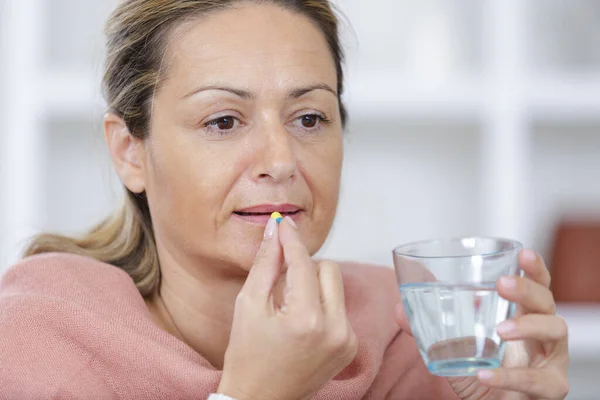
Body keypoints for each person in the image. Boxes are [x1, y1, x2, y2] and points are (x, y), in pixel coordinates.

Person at [0, 1, 569, 399]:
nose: (282, 160)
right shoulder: (44, 331)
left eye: (309, 117)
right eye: (223, 121)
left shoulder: (402, 328)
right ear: (130, 151)